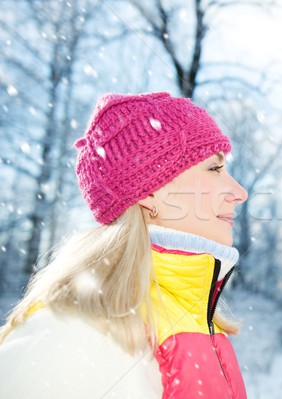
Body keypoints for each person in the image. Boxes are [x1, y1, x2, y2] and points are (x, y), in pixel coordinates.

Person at [0, 92, 249, 398]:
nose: (239, 192)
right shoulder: (72, 335)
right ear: (150, 192)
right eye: (214, 168)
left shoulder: (200, 322)